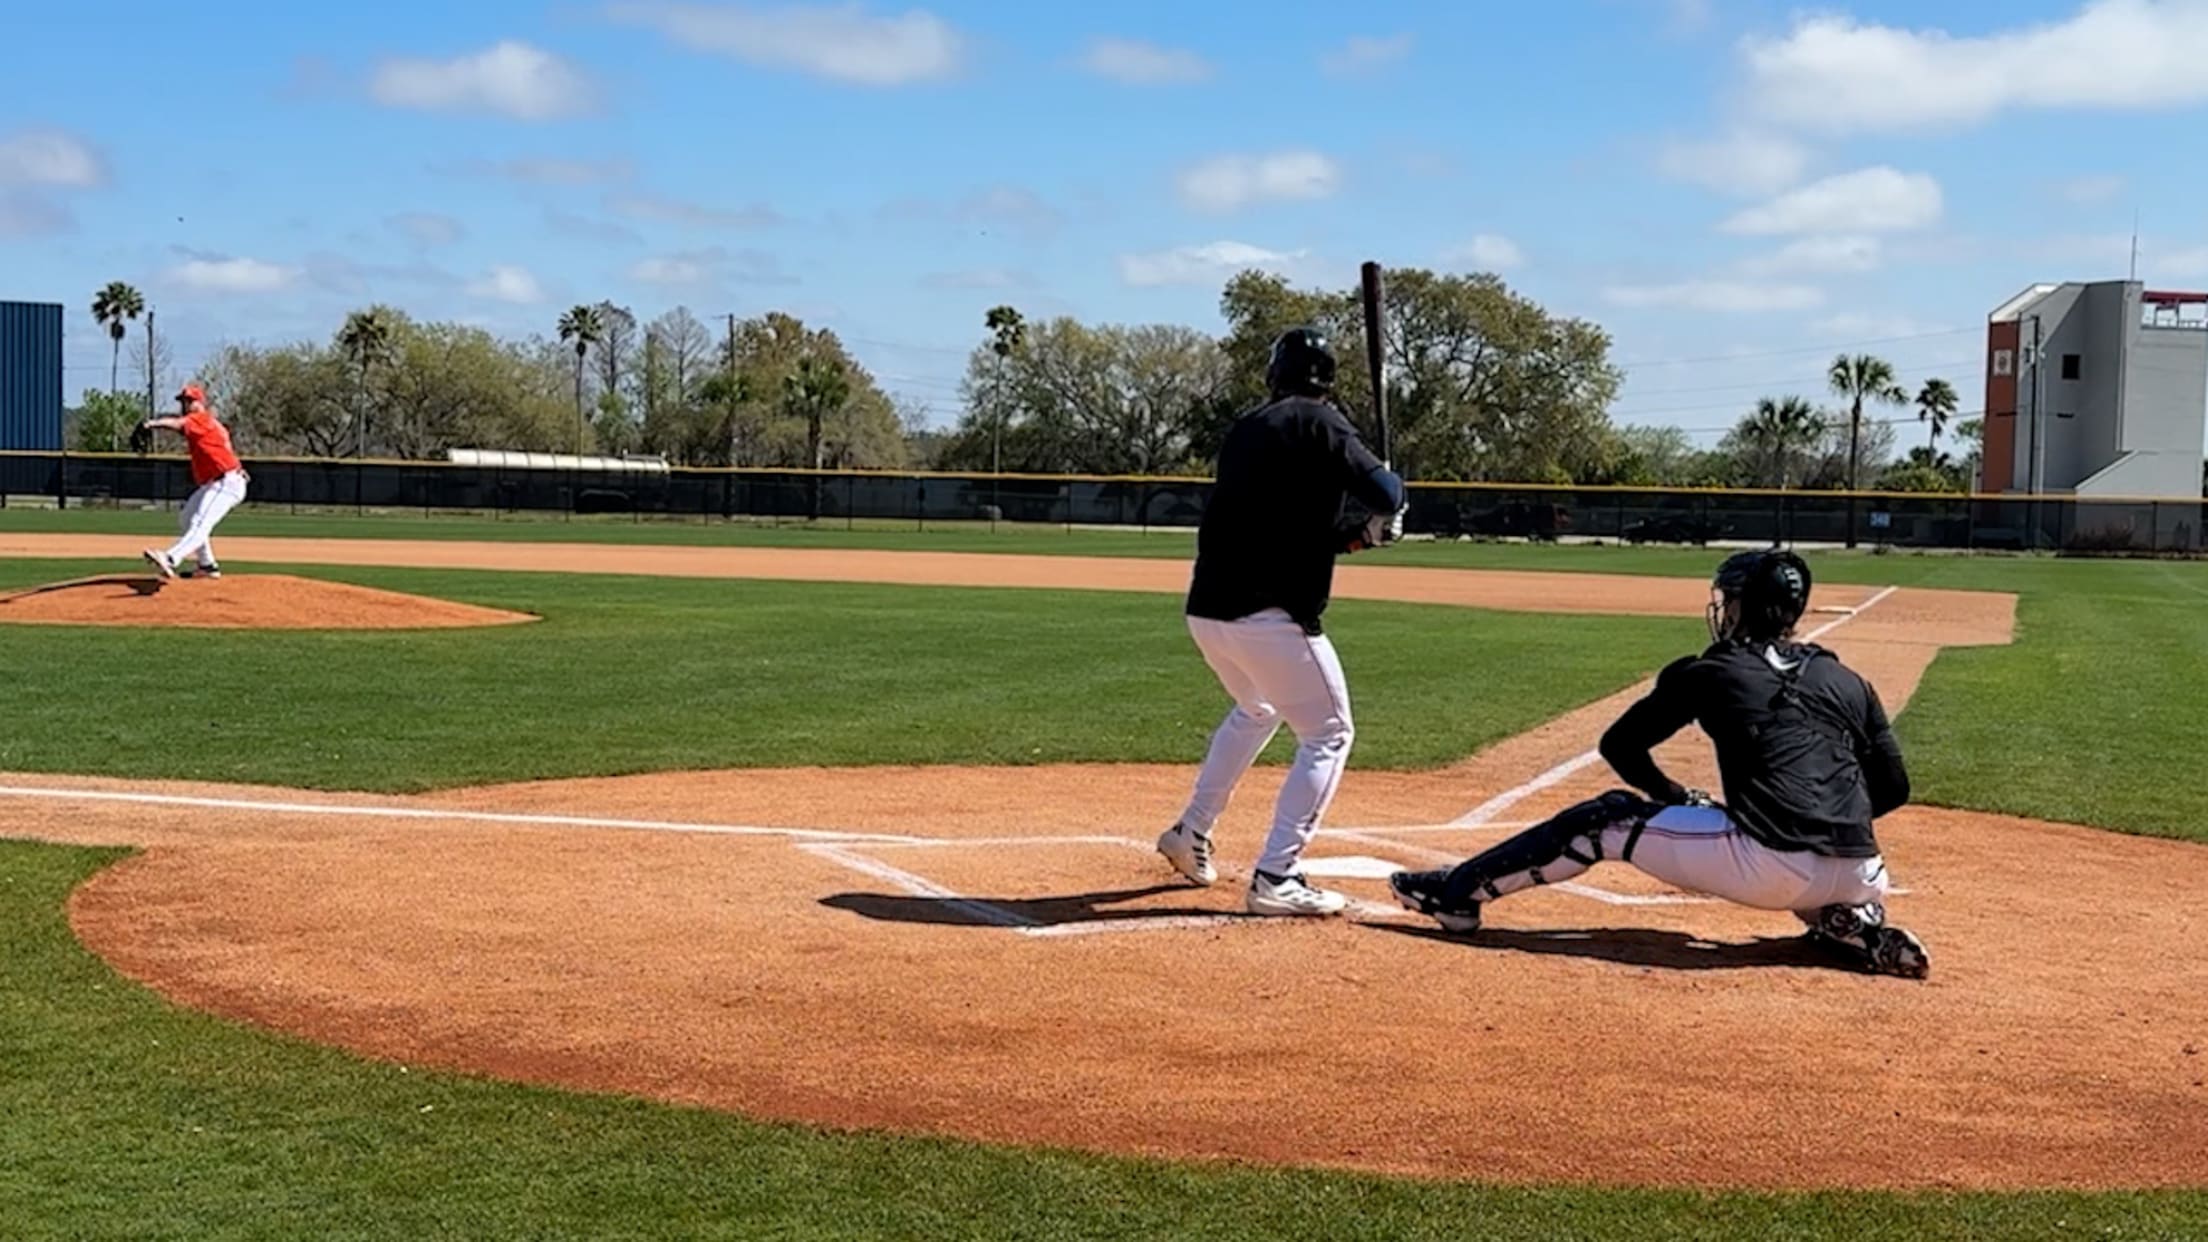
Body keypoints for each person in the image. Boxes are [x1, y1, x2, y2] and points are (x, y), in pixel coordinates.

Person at [1388, 548, 1930, 978]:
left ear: (1738, 607)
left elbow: (1620, 746)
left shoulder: (1712, 670)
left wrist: (1675, 795)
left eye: (1729, 598)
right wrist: (1823, 821)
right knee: (1803, 868)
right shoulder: (1849, 681)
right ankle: (1852, 924)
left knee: (1604, 818)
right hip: (1863, 870)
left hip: (1768, 869)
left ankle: (1456, 895)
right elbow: (1894, 787)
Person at [1155, 326, 1407, 917]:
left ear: (1276, 373)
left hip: (1209, 611)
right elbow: (1384, 490)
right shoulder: (1323, 422)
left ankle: (1191, 830)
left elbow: (1289, 526)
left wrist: (1361, 535)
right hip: (1270, 617)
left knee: (1258, 708)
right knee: (1330, 733)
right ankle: (1278, 874)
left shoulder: (1247, 429)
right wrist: (1392, 498)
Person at [137, 383, 249, 581]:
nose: (185, 404)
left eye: (189, 400)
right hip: (219, 481)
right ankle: (207, 566)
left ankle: (171, 557)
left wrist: (150, 424)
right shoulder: (209, 423)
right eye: (183, 401)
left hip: (225, 482)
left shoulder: (200, 419)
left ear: (200, 402)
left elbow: (178, 424)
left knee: (200, 522)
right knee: (186, 518)